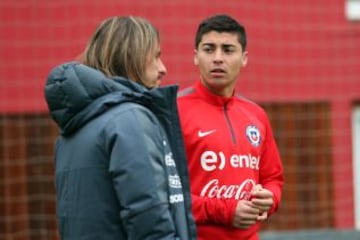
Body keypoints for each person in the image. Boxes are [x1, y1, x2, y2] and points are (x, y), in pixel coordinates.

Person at [44, 16, 197, 240]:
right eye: (155, 56)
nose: (163, 68)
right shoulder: (129, 118)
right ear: (130, 55)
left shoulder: (73, 129)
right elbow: (148, 215)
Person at [177, 14, 284, 240]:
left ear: (244, 58)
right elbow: (166, 193)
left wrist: (270, 198)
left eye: (227, 50)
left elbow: (273, 178)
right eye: (209, 49)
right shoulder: (174, 111)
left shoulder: (256, 115)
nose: (217, 58)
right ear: (195, 57)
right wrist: (225, 211)